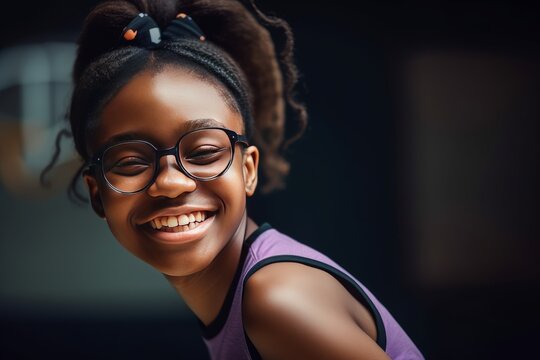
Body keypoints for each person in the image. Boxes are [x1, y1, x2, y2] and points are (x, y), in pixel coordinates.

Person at [42, 0, 424, 358]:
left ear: (248, 170)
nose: (171, 183)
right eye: (130, 161)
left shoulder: (276, 302)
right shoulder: (243, 301)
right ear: (97, 194)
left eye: (204, 153)